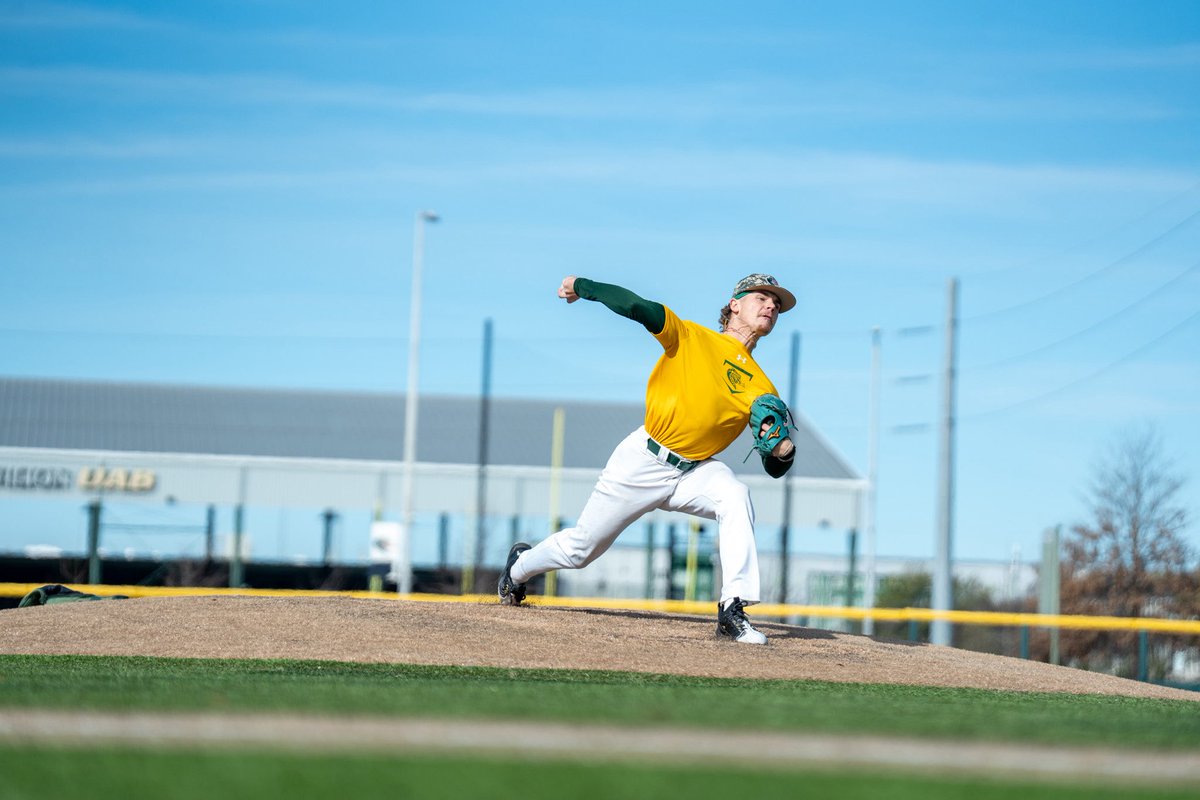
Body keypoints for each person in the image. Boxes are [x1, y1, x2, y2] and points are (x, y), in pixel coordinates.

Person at [498, 273, 797, 644]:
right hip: (643, 459)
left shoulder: (763, 387)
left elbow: (774, 467)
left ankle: (732, 608)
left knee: (735, 496)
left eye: (777, 304)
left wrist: (782, 449)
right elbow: (639, 307)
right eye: (762, 297)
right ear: (734, 303)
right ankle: (520, 568)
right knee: (581, 550)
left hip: (695, 472)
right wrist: (583, 285)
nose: (771, 306)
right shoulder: (690, 337)